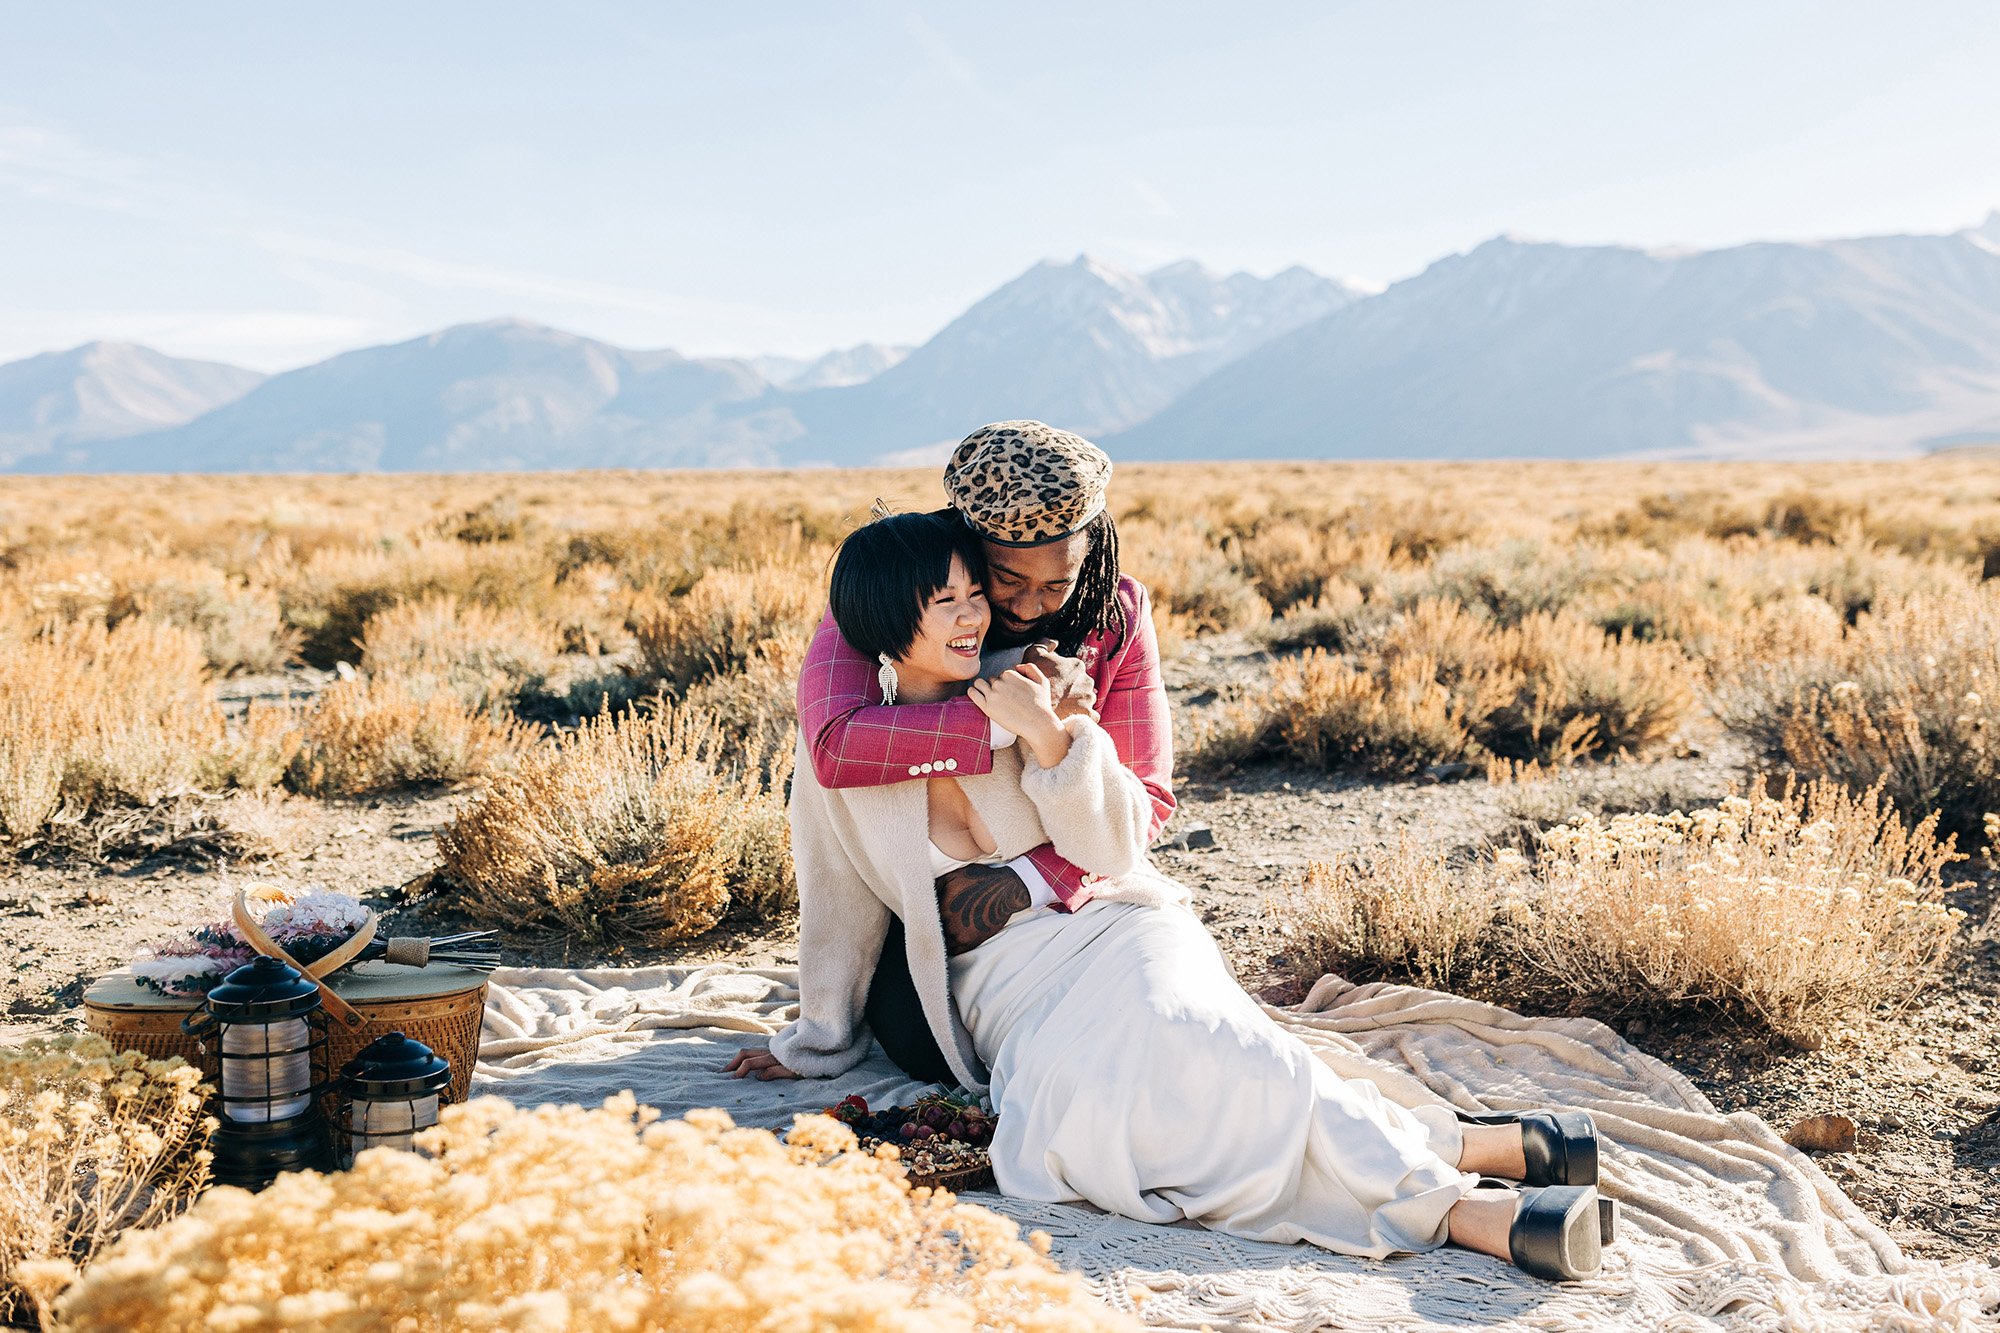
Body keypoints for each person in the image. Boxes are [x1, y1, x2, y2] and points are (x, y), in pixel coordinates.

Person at [726, 508, 1618, 1281]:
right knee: (1081, 1112)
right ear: (887, 621)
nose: (974, 619)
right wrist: (817, 1039)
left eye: (974, 596)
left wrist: (1050, 742)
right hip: (1004, 985)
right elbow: (837, 906)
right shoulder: (846, 756)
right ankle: (1483, 1144)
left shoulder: (1034, 686)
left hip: (1116, 927)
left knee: (1201, 1038)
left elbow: (1115, 846)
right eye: (946, 602)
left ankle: (1462, 1210)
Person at [791, 421, 1172, 1084]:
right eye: (1002, 578)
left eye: (1057, 583)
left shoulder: (1118, 615)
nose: (1028, 605)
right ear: (966, 546)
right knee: (928, 1040)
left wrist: (1019, 886)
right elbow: (835, 745)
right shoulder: (889, 593)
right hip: (917, 882)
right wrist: (1012, 718)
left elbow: (1147, 800)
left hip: (1074, 891)